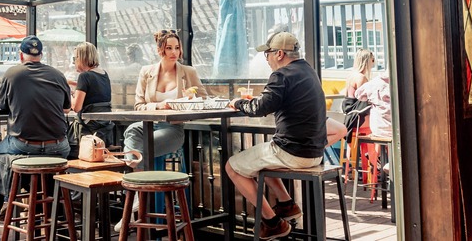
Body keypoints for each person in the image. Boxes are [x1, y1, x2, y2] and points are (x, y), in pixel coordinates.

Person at [225, 32, 327, 240]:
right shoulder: (309, 71)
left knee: (231, 167)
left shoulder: (282, 75)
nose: (268, 59)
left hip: (292, 152)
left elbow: (260, 108)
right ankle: (286, 204)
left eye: (268, 54)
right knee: (261, 161)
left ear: (279, 54)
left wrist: (238, 103)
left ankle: (272, 223)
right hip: (315, 153)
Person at [114, 29, 208, 231]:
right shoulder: (146, 72)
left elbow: (204, 100)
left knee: (141, 149)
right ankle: (140, 195)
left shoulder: (188, 73)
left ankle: (135, 199)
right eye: (169, 48)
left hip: (172, 129)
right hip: (149, 124)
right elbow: (138, 106)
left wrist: (188, 101)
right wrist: (158, 106)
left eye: (177, 47)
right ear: (159, 50)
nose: (174, 52)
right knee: (131, 130)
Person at [0, 35, 72, 221]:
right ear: (41, 54)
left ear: (20, 55)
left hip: (24, 145)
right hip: (58, 147)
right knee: (37, 165)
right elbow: (67, 107)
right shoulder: (58, 74)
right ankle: (50, 213)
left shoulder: (12, 74)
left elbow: (3, 106)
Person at [67, 42, 114, 158]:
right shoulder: (104, 74)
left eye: (75, 58)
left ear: (81, 57)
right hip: (103, 131)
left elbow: (76, 107)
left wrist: (69, 93)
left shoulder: (84, 76)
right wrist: (72, 83)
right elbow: (92, 87)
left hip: (87, 132)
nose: (74, 62)